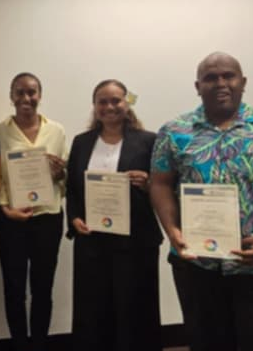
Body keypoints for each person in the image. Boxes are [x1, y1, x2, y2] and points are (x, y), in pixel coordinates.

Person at [149, 52, 253, 351]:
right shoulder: (174, 131)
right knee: (206, 343)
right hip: (197, 266)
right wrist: (172, 230)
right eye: (210, 78)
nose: (221, 83)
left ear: (243, 82)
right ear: (198, 86)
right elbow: (160, 183)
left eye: (229, 76)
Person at [65, 79, 162, 351]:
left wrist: (149, 183)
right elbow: (72, 189)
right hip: (92, 241)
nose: (109, 107)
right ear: (94, 106)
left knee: (135, 309)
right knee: (94, 310)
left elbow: (165, 187)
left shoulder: (149, 141)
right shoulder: (81, 142)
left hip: (136, 242)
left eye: (116, 100)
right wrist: (74, 218)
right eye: (102, 101)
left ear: (126, 103)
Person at [0, 72, 67, 351]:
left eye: (32, 92)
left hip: (48, 217)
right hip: (11, 220)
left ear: (40, 95)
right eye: (20, 92)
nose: (26, 98)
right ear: (11, 96)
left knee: (43, 288)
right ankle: (20, 345)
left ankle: (40, 344)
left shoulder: (57, 131)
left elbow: (65, 176)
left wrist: (60, 174)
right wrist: (5, 208)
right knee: (14, 289)